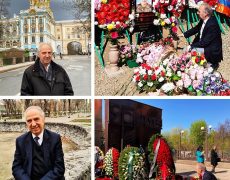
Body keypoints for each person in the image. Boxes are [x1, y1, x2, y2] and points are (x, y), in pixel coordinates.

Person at [12, 106, 65, 180]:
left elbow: (59, 168)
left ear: (43, 119)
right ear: (26, 123)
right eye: (29, 121)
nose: (33, 124)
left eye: (36, 119)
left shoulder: (55, 138)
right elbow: (16, 167)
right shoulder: (20, 141)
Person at [182, 3, 223, 69]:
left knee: (189, 52)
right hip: (205, 46)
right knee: (187, 51)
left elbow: (205, 42)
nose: (197, 13)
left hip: (211, 50)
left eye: (199, 11)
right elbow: (196, 28)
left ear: (206, 13)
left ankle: (211, 65)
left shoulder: (212, 24)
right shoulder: (204, 20)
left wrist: (191, 46)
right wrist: (183, 34)